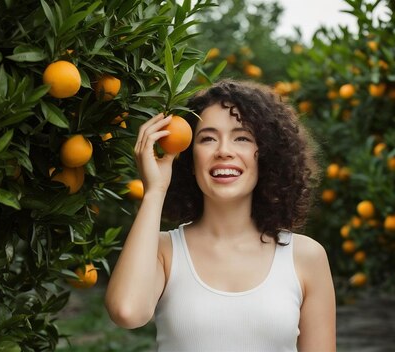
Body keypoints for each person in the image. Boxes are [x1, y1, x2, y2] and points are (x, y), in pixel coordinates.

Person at [105, 79, 336, 351]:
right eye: (208, 139)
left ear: (265, 156)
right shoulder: (164, 251)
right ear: (190, 159)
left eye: (242, 137)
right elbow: (127, 311)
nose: (223, 151)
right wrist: (155, 191)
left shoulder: (306, 256)